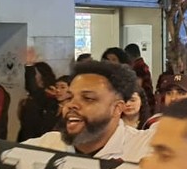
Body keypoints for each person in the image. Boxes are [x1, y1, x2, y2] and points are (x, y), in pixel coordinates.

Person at [24, 61, 153, 162]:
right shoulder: (43, 148)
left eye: (88, 98)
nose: (72, 105)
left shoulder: (144, 150)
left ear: (117, 108)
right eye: (69, 98)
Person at [17, 60, 60, 141]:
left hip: (39, 136)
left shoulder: (49, 94)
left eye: (34, 73)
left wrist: (29, 66)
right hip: (25, 134)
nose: (33, 77)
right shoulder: (33, 95)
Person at [124, 43, 155, 113]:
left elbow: (138, 86)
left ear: (129, 55)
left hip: (144, 100)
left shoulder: (138, 67)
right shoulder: (142, 65)